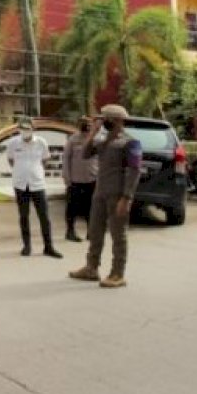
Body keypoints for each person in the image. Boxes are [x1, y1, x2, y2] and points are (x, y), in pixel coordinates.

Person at [70, 104, 141, 289]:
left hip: (117, 194)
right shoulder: (102, 141)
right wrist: (93, 133)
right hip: (100, 193)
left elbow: (134, 171)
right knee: (95, 232)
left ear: (116, 120)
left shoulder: (130, 142)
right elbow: (84, 154)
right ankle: (91, 268)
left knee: (118, 234)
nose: (101, 122)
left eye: (104, 119)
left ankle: (118, 273)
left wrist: (127, 198)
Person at [5, 119, 62, 258]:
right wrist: (22, 170)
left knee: (44, 216)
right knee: (24, 216)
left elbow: (44, 159)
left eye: (27, 128)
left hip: (38, 184)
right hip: (20, 184)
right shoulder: (13, 143)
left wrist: (34, 170)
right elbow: (11, 160)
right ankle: (27, 246)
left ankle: (48, 247)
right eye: (22, 129)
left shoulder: (41, 142)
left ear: (33, 129)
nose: (25, 131)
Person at [61, 117, 97, 243]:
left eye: (88, 124)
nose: (86, 126)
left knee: (91, 208)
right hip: (75, 180)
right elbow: (66, 159)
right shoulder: (73, 140)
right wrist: (67, 178)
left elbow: (100, 158)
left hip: (91, 179)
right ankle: (70, 231)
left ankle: (91, 232)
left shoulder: (95, 140)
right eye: (84, 124)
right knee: (72, 207)